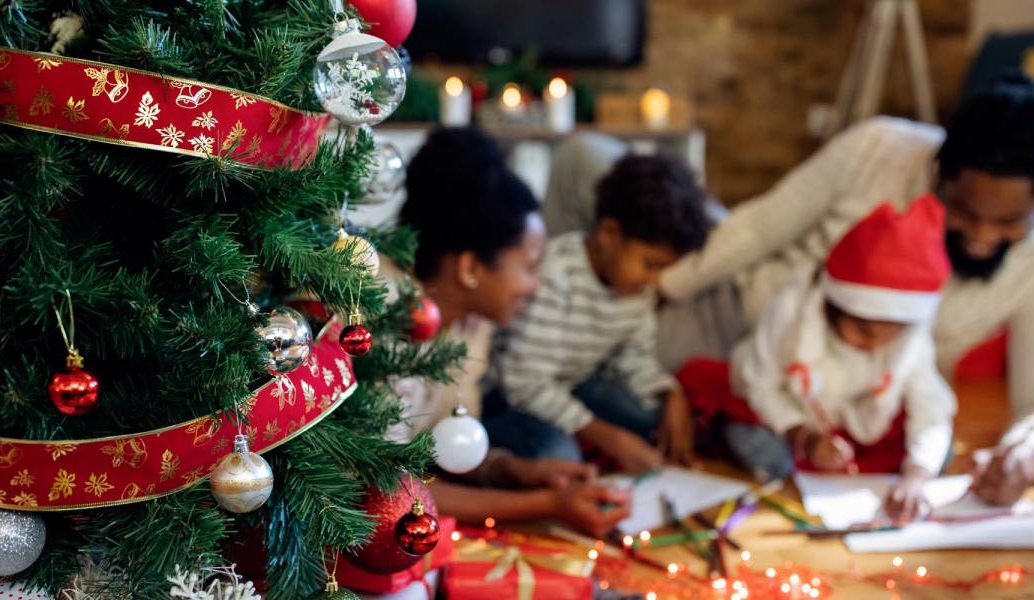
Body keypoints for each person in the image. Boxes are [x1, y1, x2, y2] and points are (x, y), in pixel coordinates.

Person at [658, 72, 1034, 506]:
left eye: (1009, 221)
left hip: (847, 401)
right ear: (939, 171)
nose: (982, 234)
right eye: (962, 210)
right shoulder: (878, 147)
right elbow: (756, 230)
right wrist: (660, 285)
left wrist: (1029, 456)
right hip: (736, 312)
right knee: (611, 182)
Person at [391, 127, 629, 537]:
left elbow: (441, 451)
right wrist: (547, 505)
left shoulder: (470, 323)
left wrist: (516, 471)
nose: (535, 285)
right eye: (529, 266)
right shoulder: (375, 320)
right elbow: (387, 488)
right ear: (470, 268)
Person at [679, 195, 955, 521]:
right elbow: (760, 383)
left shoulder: (910, 341)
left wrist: (916, 478)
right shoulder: (792, 314)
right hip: (793, 415)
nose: (875, 344)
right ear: (832, 308)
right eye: (863, 330)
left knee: (937, 450)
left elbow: (931, 408)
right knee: (756, 444)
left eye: (890, 334)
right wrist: (804, 435)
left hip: (860, 424)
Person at [484, 154, 711, 473]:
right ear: (608, 234)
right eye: (651, 264)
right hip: (510, 398)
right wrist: (610, 439)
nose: (654, 280)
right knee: (560, 456)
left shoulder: (636, 289)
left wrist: (670, 394)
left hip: (574, 386)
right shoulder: (553, 276)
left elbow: (634, 358)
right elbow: (523, 384)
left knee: (654, 416)